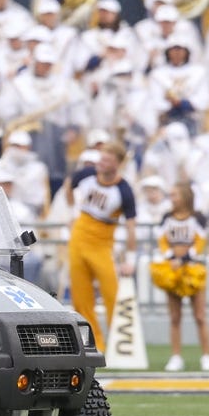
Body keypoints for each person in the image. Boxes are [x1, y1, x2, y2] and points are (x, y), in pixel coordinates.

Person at [65, 141, 137, 353]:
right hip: (79, 236)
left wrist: (130, 258)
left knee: (111, 292)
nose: (101, 163)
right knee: (81, 296)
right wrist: (71, 213)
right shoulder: (87, 173)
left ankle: (121, 343)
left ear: (118, 164)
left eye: (107, 160)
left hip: (103, 243)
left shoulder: (124, 190)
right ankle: (94, 342)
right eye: (101, 158)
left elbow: (131, 226)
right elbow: (69, 184)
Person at [149, 183, 209, 372]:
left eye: (175, 195)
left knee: (200, 315)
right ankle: (176, 357)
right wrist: (172, 257)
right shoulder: (167, 218)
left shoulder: (198, 218)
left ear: (185, 196)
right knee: (175, 316)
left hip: (193, 270)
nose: (172, 198)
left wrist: (184, 258)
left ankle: (206, 356)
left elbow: (200, 242)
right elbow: (161, 241)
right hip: (173, 270)